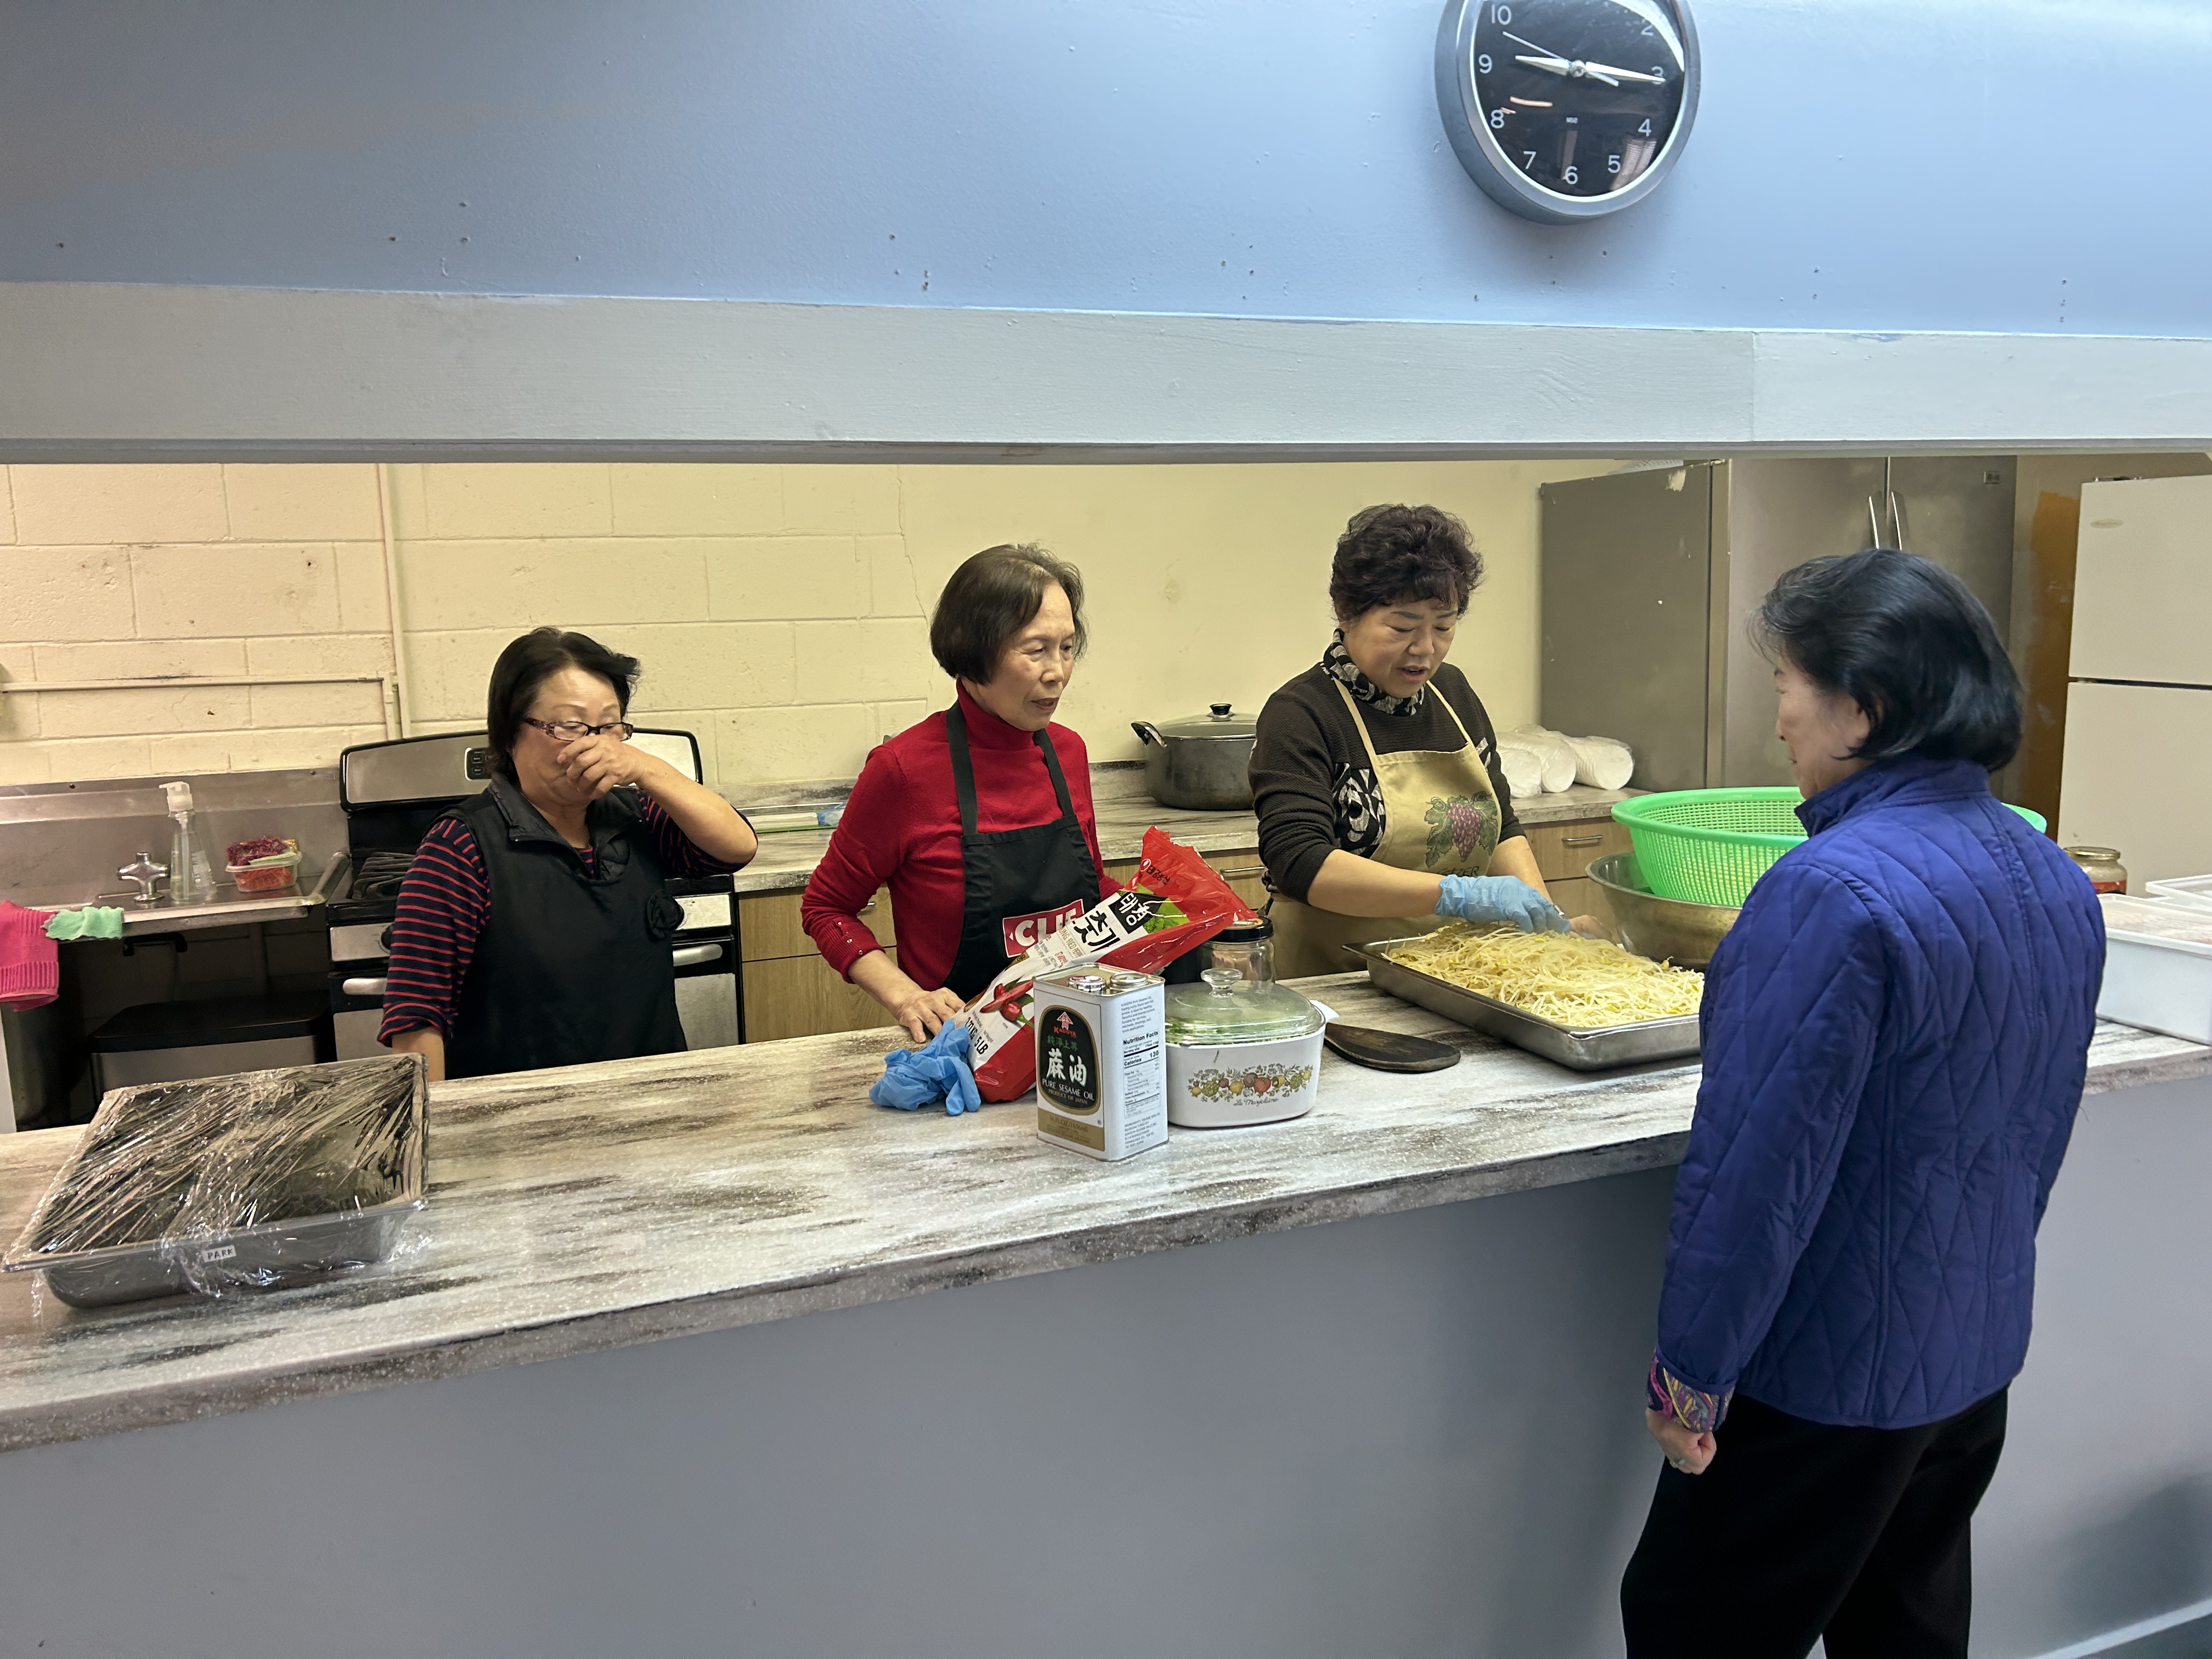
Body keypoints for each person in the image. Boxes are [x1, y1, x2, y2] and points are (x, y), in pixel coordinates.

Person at [1620, 549, 2104, 1658]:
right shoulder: (2049, 874)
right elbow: (2036, 1133)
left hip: (1824, 1376)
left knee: (1691, 1626)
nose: (1778, 719)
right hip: (1969, 1358)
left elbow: (1755, 1172)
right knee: (1906, 1630)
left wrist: (1689, 1378)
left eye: (1787, 685)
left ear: (1864, 708)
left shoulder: (1829, 892)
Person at [380, 628, 758, 1080]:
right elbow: (416, 1017)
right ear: (510, 732)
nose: (593, 746)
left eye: (609, 727)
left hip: (649, 1095)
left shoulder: (636, 817)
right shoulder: (461, 846)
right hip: (520, 1112)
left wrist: (646, 768)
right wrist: (442, 1117)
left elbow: (736, 848)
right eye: (570, 726)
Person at [1250, 503, 1582, 980]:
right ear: (1347, 613)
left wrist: (1547, 924)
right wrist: (1457, 894)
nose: (1426, 649)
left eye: (1443, 626)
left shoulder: (1454, 695)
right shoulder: (1301, 712)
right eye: (1403, 628)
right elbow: (1301, 864)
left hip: (1451, 974)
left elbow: (1502, 826)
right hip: (1336, 980)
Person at [804, 544, 1115, 1042]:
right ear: (975, 652)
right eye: (1035, 650)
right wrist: (906, 996)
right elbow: (826, 908)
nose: (1058, 671)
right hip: (962, 1051)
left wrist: (1178, 910)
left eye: (1067, 647)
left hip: (1076, 1037)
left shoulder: (1069, 752)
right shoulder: (903, 770)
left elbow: (1092, 890)